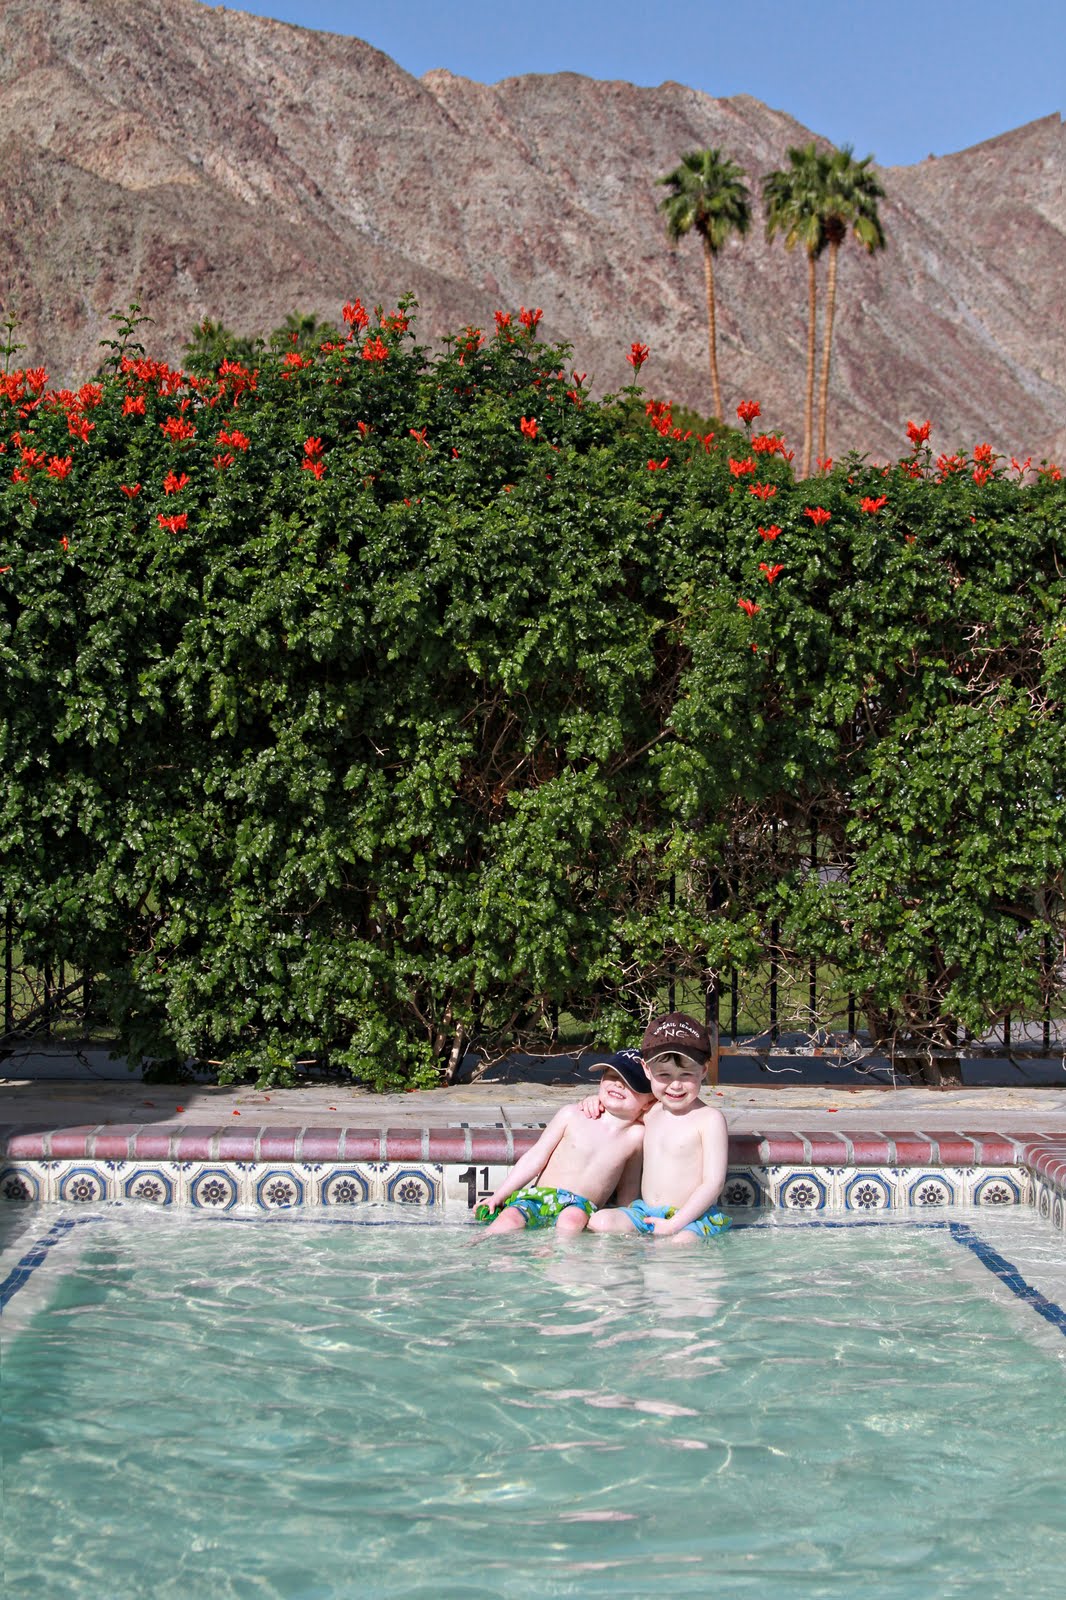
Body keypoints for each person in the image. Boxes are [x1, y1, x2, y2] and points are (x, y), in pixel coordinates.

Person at [475, 1050, 654, 1237]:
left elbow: (629, 1186)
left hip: (580, 1207)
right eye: (612, 1076)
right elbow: (535, 1158)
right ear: (600, 1082)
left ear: (649, 1101)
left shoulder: (635, 1135)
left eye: (630, 1082)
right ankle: (480, 1242)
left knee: (571, 1220)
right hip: (540, 1196)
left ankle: (552, 1253)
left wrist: (625, 1222)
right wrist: (499, 1195)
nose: (618, 1084)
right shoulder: (573, 1114)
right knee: (510, 1217)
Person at [587, 1012, 731, 1242]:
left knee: (680, 1242)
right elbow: (620, 1109)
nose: (676, 1085)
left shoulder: (709, 1120)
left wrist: (675, 1224)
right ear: (647, 1070)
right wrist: (595, 1101)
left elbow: (714, 1183)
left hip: (692, 1218)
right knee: (600, 1221)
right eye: (664, 1074)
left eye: (686, 1074)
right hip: (646, 1213)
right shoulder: (651, 1111)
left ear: (703, 1071)